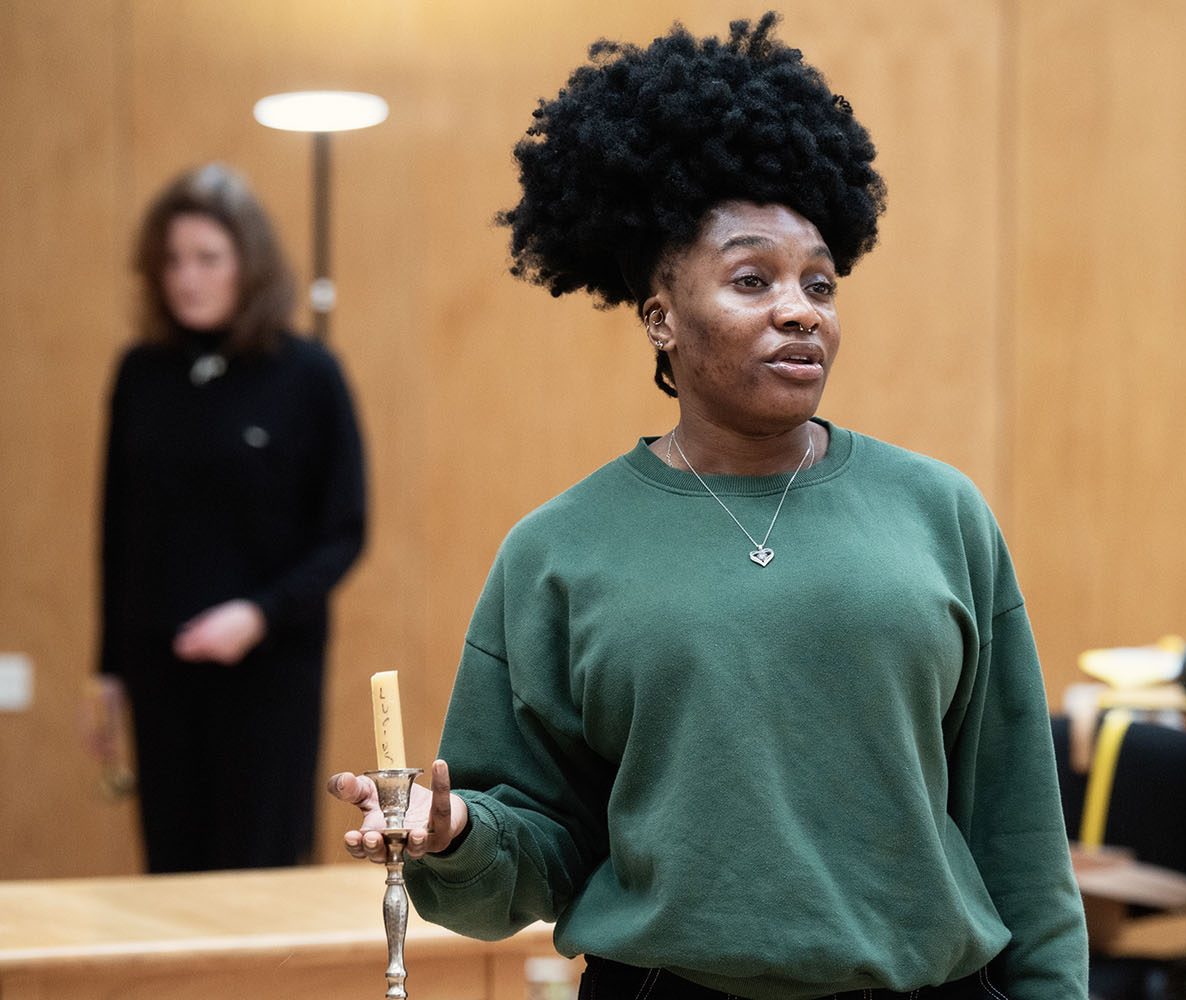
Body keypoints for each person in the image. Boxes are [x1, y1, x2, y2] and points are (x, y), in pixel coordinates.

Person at [330, 14, 1086, 1000]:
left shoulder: (938, 514)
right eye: (750, 278)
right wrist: (458, 836)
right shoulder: (557, 551)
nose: (799, 308)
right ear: (658, 313)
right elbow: (530, 852)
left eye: (819, 281)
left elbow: (1017, 825)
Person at [90, 162, 367, 873]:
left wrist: (258, 615)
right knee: (172, 869)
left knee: (259, 865)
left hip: (268, 670)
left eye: (208, 258)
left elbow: (344, 531)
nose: (188, 277)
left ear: (250, 264)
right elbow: (117, 531)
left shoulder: (307, 375)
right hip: (161, 669)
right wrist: (109, 671)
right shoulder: (139, 373)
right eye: (174, 260)